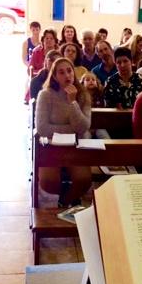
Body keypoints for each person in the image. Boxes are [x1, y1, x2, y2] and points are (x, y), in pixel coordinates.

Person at [35, 58, 92, 207]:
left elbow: (84, 126)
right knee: (48, 181)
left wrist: (73, 102)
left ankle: (66, 201)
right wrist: (72, 130)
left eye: (69, 71)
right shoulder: (45, 95)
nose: (67, 75)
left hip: (76, 145)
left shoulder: (83, 95)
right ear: (54, 77)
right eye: (61, 72)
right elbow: (42, 128)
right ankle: (64, 197)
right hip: (52, 145)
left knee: (83, 179)